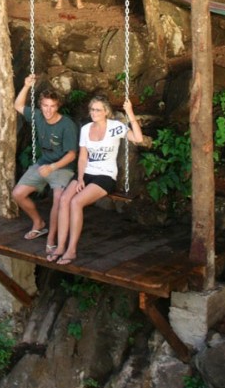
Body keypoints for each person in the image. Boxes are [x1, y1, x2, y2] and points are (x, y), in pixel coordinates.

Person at [49, 94, 143, 265]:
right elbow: (83, 157)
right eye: (92, 109)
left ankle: (72, 250)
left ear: (106, 112)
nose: (94, 112)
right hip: (86, 173)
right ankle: (61, 246)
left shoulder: (116, 127)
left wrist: (130, 113)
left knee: (76, 202)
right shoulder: (86, 129)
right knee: (64, 199)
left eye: (98, 110)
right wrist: (79, 178)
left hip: (105, 175)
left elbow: (138, 139)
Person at [12, 74, 78, 252]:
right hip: (43, 163)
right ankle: (39, 223)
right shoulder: (38, 116)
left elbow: (72, 155)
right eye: (45, 106)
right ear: (41, 106)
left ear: (58, 107)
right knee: (18, 194)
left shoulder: (67, 125)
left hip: (63, 167)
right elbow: (18, 105)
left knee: (58, 199)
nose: (48, 110)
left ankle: (51, 238)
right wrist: (26, 86)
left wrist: (53, 167)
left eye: (52, 106)